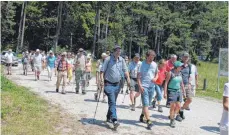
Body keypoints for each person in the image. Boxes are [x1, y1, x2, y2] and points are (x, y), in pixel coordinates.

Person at [100, 45, 130, 130]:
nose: (118, 52)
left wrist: (128, 79)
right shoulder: (108, 59)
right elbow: (102, 71)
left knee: (112, 102)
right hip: (108, 84)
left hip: (117, 85)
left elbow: (125, 70)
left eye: (119, 51)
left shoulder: (122, 60)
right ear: (113, 52)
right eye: (117, 50)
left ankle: (108, 117)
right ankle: (114, 120)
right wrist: (101, 81)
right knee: (112, 102)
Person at [137, 50, 158, 130]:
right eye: (151, 56)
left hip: (152, 87)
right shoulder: (141, 64)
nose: (153, 58)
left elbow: (157, 73)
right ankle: (149, 121)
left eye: (153, 56)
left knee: (147, 104)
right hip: (144, 87)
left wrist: (155, 78)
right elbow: (138, 77)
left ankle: (142, 116)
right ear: (147, 56)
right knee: (145, 104)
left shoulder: (154, 64)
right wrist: (140, 86)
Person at [164, 61, 185, 128]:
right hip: (171, 91)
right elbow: (166, 83)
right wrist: (165, 93)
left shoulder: (180, 73)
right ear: (176, 67)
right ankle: (172, 120)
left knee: (178, 106)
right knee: (172, 107)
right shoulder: (170, 73)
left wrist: (184, 91)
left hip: (178, 91)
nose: (181, 67)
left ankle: (171, 115)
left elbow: (181, 83)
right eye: (180, 66)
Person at [179, 52, 192, 118]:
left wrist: (189, 83)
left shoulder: (189, 66)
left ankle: (181, 109)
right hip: (179, 85)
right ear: (182, 57)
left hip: (187, 84)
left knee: (189, 99)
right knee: (179, 100)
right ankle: (178, 114)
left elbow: (190, 75)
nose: (186, 58)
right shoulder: (179, 65)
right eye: (185, 56)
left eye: (187, 57)